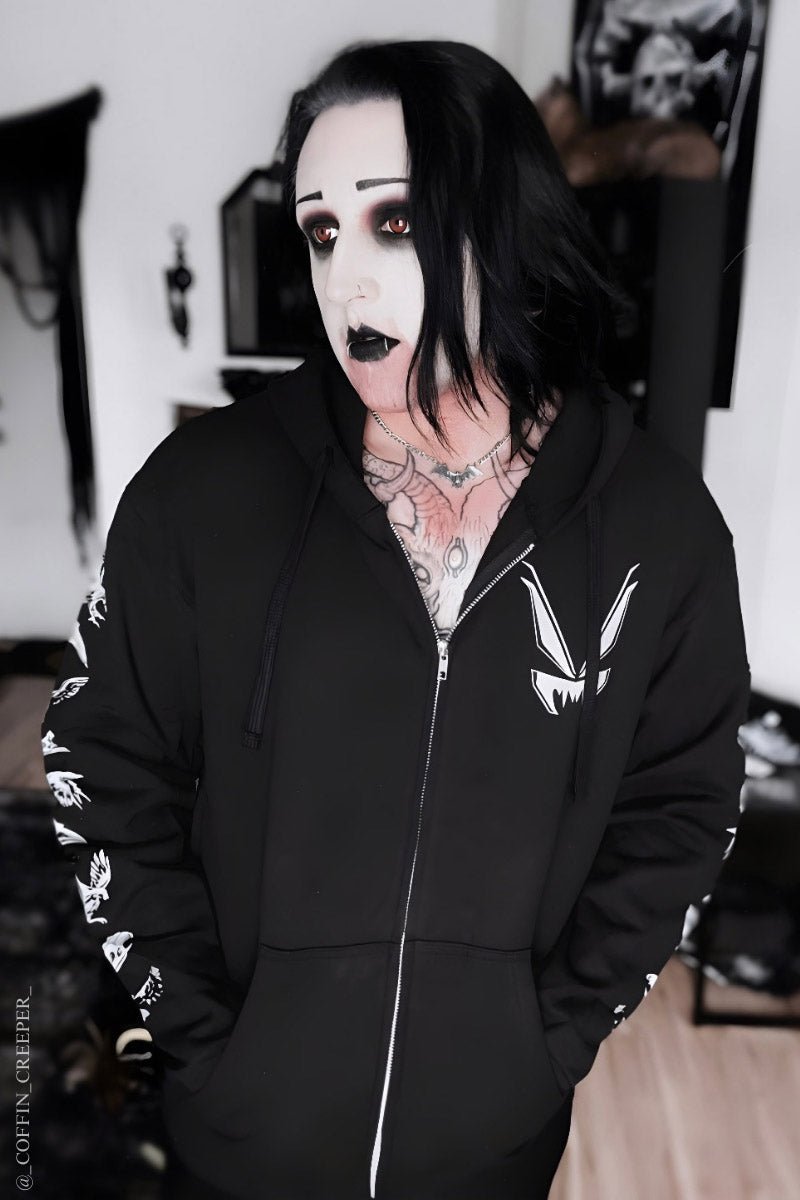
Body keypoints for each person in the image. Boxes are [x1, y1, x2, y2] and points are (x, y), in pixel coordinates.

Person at [41, 38, 750, 1200]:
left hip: (489, 1151)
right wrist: (204, 1036)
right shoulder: (202, 493)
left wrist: (549, 1040)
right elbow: (100, 755)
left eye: (395, 222)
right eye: (321, 232)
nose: (346, 280)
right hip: (239, 1146)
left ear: (504, 220)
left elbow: (682, 800)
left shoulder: (658, 529)